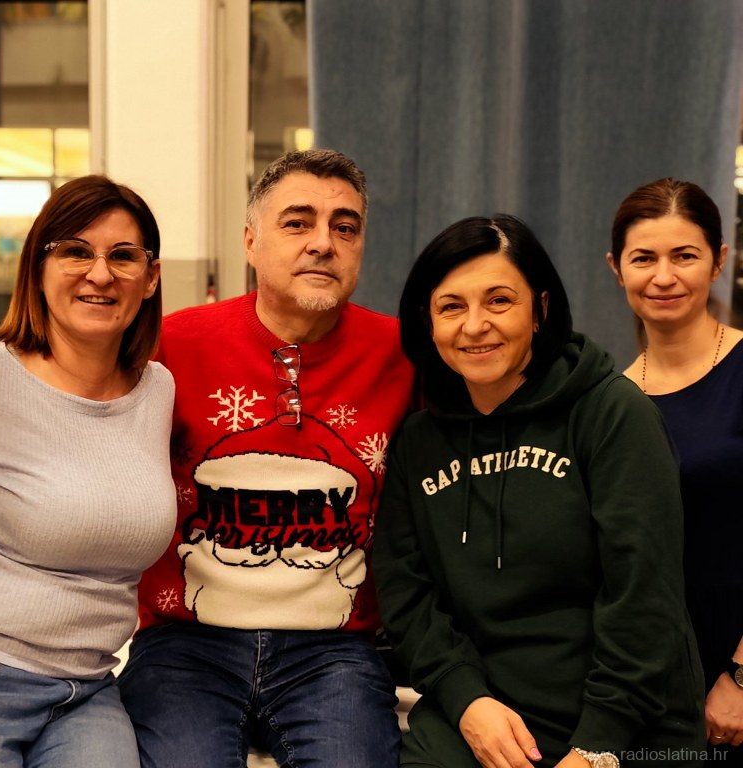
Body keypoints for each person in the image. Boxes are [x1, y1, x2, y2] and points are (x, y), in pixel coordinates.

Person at [374, 214, 706, 768]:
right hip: (481, 713)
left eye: (499, 300)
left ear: (540, 309)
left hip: (627, 720)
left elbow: (645, 599)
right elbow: (407, 597)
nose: (475, 326)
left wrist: (597, 746)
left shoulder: (613, 414)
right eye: (451, 307)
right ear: (427, 323)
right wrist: (466, 700)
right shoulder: (417, 441)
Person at [118, 148, 414, 767]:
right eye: (297, 222)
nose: (323, 243)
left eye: (345, 227)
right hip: (185, 644)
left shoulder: (404, 354)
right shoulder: (170, 344)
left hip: (334, 651)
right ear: (251, 242)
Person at [0, 175, 176, 768]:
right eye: (75, 251)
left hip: (89, 688)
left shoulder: (158, 389)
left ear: (151, 277)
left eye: (123, 256)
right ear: (37, 267)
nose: (100, 274)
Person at [606, 177, 743, 764]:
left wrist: (741, 678)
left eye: (684, 255)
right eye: (644, 258)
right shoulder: (611, 401)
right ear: (616, 269)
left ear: (719, 261)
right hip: (656, 694)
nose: (663, 277)